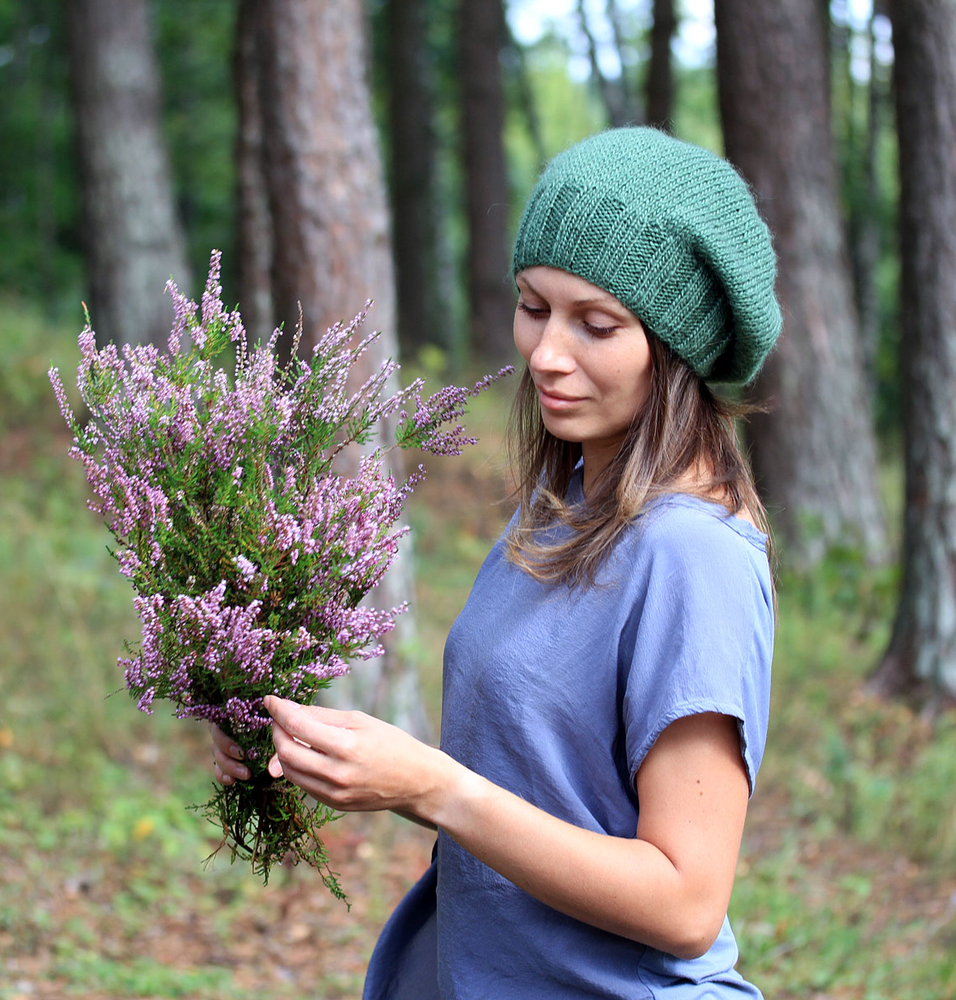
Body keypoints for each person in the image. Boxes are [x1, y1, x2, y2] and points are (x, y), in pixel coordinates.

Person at [211, 126, 781, 999]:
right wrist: (307, 746)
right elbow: (536, 779)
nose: (547, 354)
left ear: (678, 351)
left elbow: (685, 901)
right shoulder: (557, 514)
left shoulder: (694, 554)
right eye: (533, 305)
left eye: (597, 324)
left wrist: (435, 789)